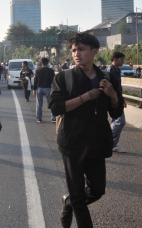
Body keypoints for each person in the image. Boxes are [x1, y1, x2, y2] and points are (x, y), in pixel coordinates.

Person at [49, 33, 123, 228]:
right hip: (72, 143)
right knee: (79, 195)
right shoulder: (64, 78)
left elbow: (116, 113)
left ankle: (68, 202)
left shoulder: (106, 78)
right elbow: (56, 107)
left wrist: (113, 94)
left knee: (98, 190)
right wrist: (86, 97)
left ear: (94, 51)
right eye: (74, 50)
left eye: (81, 49)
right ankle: (74, 200)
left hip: (97, 143)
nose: (77, 54)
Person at [108, 51, 128, 153]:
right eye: (121, 59)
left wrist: (122, 100)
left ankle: (112, 144)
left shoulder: (117, 70)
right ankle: (109, 143)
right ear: (115, 60)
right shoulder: (109, 71)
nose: (123, 61)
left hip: (118, 100)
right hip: (113, 101)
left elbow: (118, 88)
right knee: (120, 122)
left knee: (115, 122)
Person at [33, 57, 56, 123]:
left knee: (39, 104)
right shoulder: (51, 70)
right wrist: (54, 89)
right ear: (47, 62)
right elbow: (53, 81)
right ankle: (53, 117)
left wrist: (34, 89)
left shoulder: (38, 70)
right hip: (48, 88)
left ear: (41, 63)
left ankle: (39, 118)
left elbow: (35, 80)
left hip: (39, 88)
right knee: (51, 103)